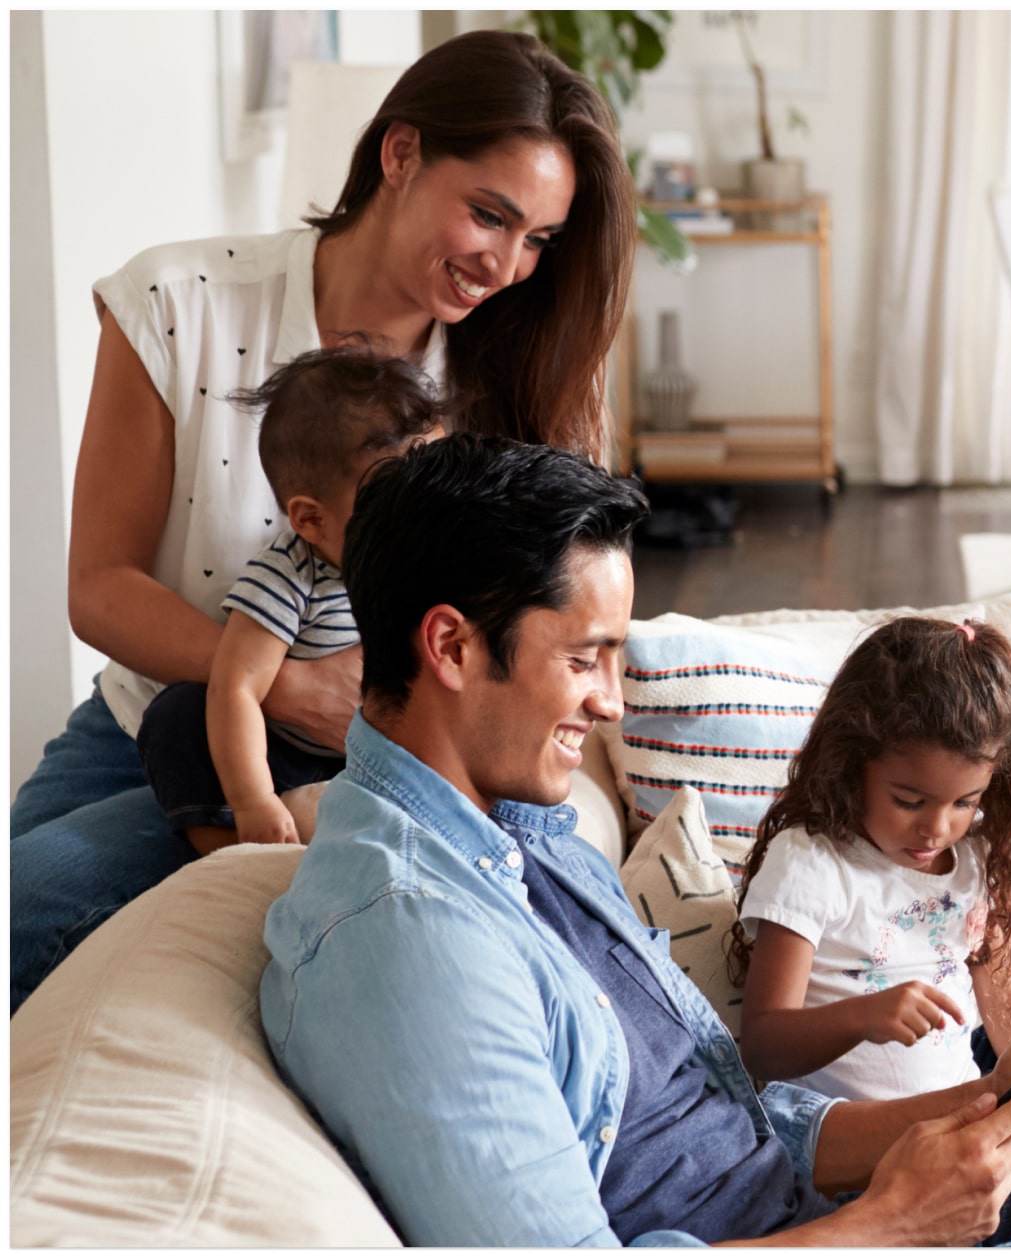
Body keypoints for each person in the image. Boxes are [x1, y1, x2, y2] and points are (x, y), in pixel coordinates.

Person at [258, 432, 1011, 1247]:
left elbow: (743, 1125)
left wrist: (980, 1098)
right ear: (452, 647)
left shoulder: (522, 828)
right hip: (843, 1240)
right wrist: (898, 1222)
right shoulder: (407, 942)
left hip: (820, 1193)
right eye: (585, 656)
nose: (610, 701)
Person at [10, 28, 637, 1014]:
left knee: (49, 899)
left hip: (394, 753)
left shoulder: (507, 372)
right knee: (23, 904)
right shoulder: (181, 303)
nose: (508, 266)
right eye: (489, 215)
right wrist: (285, 683)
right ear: (399, 153)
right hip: (158, 712)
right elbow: (99, 587)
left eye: (538, 241)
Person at [730, 616, 1011, 1110]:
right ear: (851, 765)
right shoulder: (812, 863)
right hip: (881, 1142)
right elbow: (763, 1047)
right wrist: (862, 1016)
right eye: (909, 801)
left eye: (964, 803)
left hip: (972, 1105)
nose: (936, 830)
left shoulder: (970, 859)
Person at [135, 348, 444, 857]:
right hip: (285, 757)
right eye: (396, 507)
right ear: (311, 520)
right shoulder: (290, 575)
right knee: (179, 715)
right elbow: (236, 688)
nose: (424, 525)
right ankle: (227, 849)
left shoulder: (430, 563)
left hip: (380, 757)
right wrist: (253, 797)